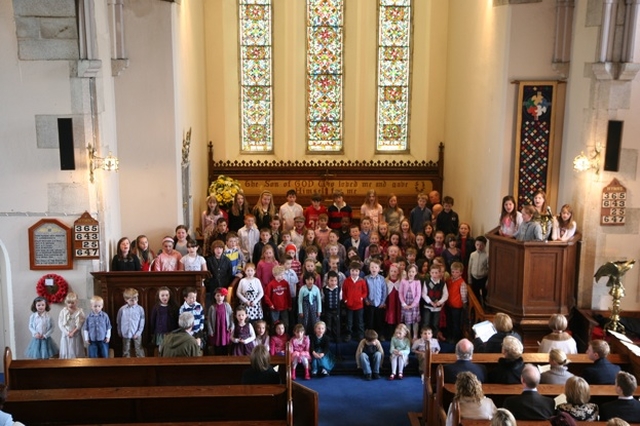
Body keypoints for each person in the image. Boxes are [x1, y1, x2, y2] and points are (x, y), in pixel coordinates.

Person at [342, 261, 368, 341]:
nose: (354, 272)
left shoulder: (362, 281)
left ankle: (360, 334)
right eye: (352, 270)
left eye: (356, 271)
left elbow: (365, 292)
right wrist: (346, 300)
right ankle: (348, 334)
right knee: (349, 321)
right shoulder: (346, 281)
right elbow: (344, 292)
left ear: (359, 272)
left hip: (359, 305)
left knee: (359, 321)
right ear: (349, 271)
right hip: (349, 305)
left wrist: (361, 297)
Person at [421, 263, 448, 337]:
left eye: (436, 272)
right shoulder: (427, 282)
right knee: (426, 322)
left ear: (439, 273)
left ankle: (434, 337)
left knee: (435, 324)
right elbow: (424, 294)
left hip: (437, 307)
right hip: (428, 306)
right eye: (432, 273)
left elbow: (445, 295)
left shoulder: (442, 284)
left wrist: (439, 302)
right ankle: (424, 337)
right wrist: (430, 302)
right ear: (430, 273)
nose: (434, 275)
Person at [117, 288, 145, 357]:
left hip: (137, 333)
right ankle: (126, 364)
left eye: (136, 298)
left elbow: (142, 322)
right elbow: (118, 321)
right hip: (125, 332)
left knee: (139, 349)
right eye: (132, 300)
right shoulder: (122, 309)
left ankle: (142, 363)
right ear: (126, 300)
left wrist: (138, 332)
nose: (134, 301)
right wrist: (120, 331)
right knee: (126, 349)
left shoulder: (140, 309)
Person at [205, 239, 234, 307]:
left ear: (223, 249)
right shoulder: (209, 260)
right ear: (213, 249)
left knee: (223, 303)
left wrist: (226, 283)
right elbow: (207, 273)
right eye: (216, 248)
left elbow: (229, 273)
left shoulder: (227, 260)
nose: (218, 250)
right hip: (213, 286)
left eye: (220, 248)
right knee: (213, 304)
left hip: (224, 284)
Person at [58, 292, 85, 359]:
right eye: (68, 303)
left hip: (75, 335)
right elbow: (60, 324)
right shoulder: (63, 311)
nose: (70, 305)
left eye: (72, 303)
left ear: (76, 302)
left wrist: (73, 332)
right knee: (66, 350)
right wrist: (67, 333)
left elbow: (80, 324)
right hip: (66, 335)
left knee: (76, 350)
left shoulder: (80, 312)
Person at [207, 287, 234, 355]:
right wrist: (210, 330)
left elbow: (231, 317)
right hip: (216, 330)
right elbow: (209, 320)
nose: (220, 297)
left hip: (225, 329)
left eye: (221, 295)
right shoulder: (212, 307)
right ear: (215, 296)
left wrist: (232, 326)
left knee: (225, 345)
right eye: (218, 295)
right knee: (217, 346)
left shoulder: (227, 305)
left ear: (224, 296)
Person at [446, 261, 468, 343]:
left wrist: (464, 304)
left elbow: (463, 296)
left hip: (457, 306)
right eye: (453, 272)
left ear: (461, 273)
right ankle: (449, 336)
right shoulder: (450, 280)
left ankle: (455, 339)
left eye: (457, 272)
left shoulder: (461, 283)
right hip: (449, 304)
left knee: (456, 323)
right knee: (449, 322)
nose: (454, 273)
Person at [364, 258, 387, 336]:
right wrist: (366, 300)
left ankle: (380, 334)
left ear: (379, 269)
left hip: (379, 303)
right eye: (372, 267)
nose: (374, 269)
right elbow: (364, 290)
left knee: (379, 320)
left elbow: (384, 291)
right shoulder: (366, 278)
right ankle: (369, 335)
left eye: (376, 267)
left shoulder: (382, 279)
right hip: (370, 303)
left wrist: (383, 302)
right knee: (370, 320)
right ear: (369, 268)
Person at [264, 265, 292, 329]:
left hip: (284, 307)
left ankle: (285, 335)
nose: (282, 277)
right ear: (275, 275)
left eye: (283, 275)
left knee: (286, 323)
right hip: (275, 308)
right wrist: (270, 304)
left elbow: (288, 295)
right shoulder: (271, 284)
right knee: (275, 323)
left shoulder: (285, 283)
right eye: (280, 275)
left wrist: (290, 305)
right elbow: (266, 296)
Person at [398, 264, 421, 340]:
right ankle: (409, 336)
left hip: (414, 305)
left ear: (416, 273)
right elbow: (400, 293)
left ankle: (415, 336)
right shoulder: (403, 281)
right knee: (408, 321)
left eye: (413, 272)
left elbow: (418, 295)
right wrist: (403, 303)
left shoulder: (417, 282)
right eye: (409, 271)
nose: (411, 273)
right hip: (406, 304)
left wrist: (413, 305)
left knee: (415, 321)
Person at [298, 271, 322, 335]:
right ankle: (305, 334)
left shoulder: (316, 289)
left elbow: (319, 300)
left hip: (314, 307)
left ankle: (315, 334)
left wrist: (319, 310)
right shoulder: (302, 289)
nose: (310, 281)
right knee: (305, 320)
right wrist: (301, 311)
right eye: (308, 280)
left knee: (315, 320)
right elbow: (300, 301)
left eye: (311, 279)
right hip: (305, 307)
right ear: (305, 280)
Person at [468, 236, 489, 306]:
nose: (479, 247)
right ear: (475, 245)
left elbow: (489, 269)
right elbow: (469, 267)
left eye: (481, 245)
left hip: (483, 278)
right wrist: (469, 279)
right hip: (474, 278)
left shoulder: (487, 256)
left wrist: (487, 281)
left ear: (485, 245)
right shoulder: (472, 255)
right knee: (475, 296)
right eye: (477, 245)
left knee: (484, 295)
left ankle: (485, 309)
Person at [322, 270, 341, 342]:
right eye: (331, 280)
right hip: (328, 310)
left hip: (336, 310)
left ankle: (337, 337)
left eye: (335, 280)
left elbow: (340, 299)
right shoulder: (324, 289)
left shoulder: (339, 289)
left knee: (336, 324)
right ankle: (328, 338)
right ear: (328, 281)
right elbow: (323, 299)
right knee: (328, 324)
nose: (333, 282)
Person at [384, 263, 401, 339]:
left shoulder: (401, 281)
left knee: (398, 315)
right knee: (390, 316)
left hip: (398, 302)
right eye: (391, 271)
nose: (393, 273)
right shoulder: (386, 281)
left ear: (398, 272)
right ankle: (389, 334)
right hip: (390, 302)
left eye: (395, 271)